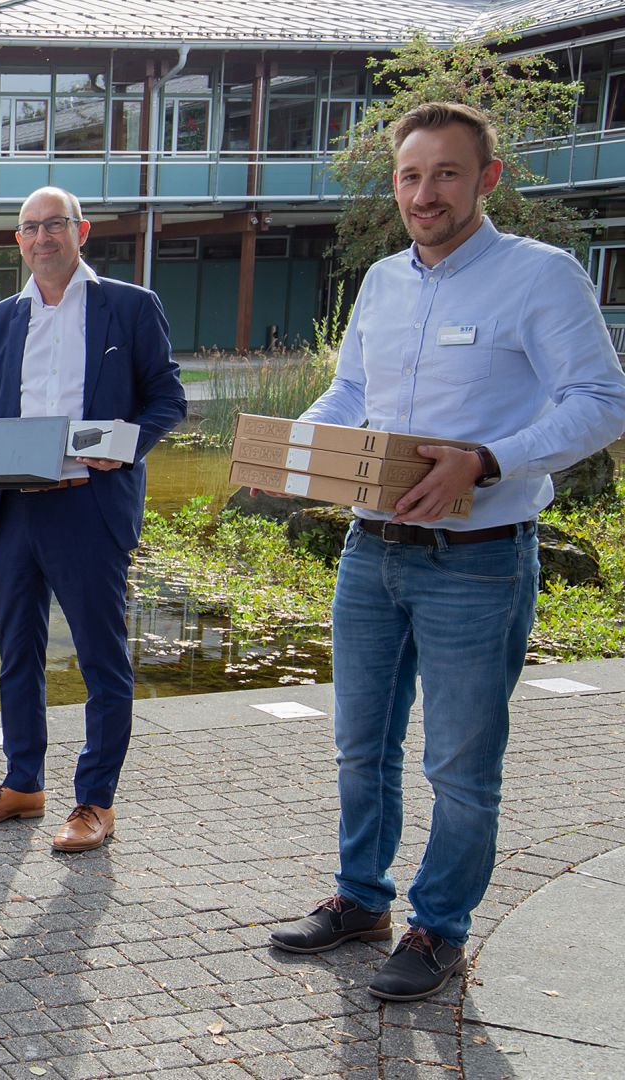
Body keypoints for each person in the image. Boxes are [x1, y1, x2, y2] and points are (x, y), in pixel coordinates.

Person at [267, 102, 625, 1000]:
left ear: (487, 179)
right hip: (369, 551)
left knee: (459, 762)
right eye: (410, 176)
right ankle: (361, 899)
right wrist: (295, 454)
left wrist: (491, 459)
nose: (425, 193)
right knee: (361, 744)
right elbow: (350, 390)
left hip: (479, 558)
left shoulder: (540, 277)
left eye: (446, 174)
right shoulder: (384, 281)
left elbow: (601, 399)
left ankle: (438, 928)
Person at [0, 186, 186, 852]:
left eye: (55, 225)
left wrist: (128, 445)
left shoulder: (129, 307)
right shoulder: (1, 319)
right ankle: (23, 784)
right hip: (14, 507)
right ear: (18, 241)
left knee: (102, 660)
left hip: (89, 506)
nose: (43, 238)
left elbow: (168, 398)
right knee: (16, 655)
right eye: (30, 228)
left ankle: (94, 802)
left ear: (82, 231)